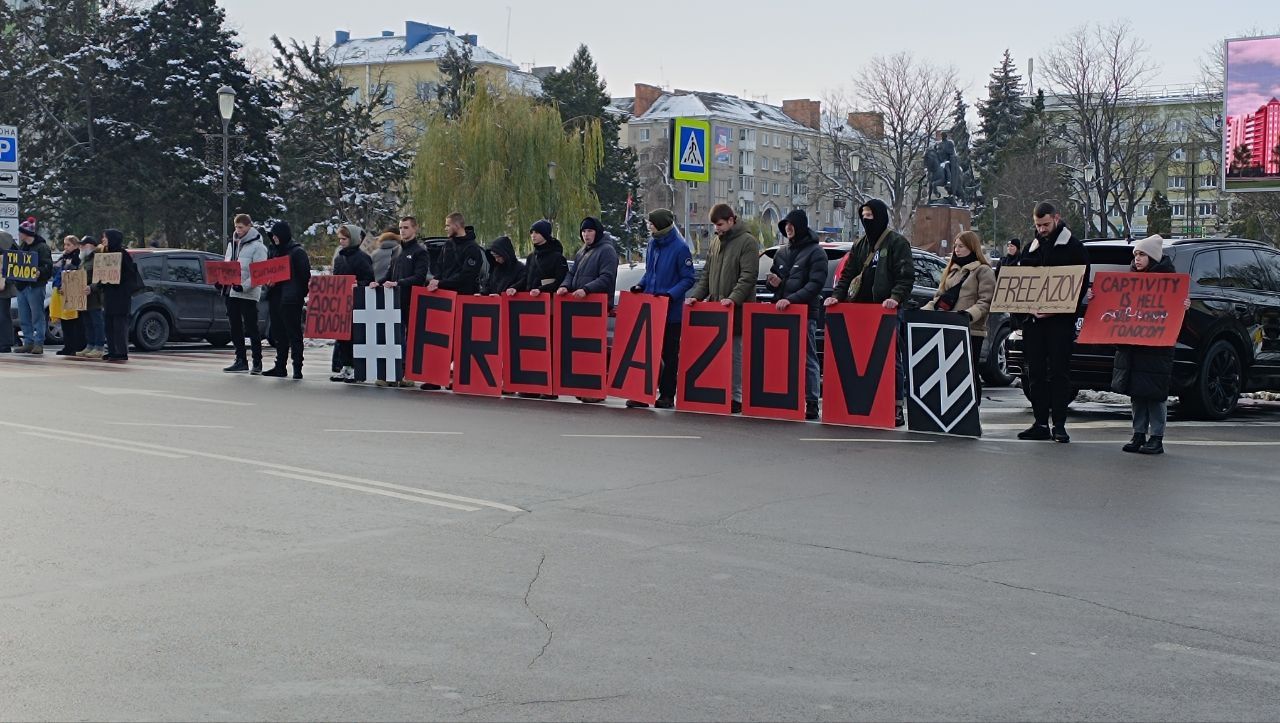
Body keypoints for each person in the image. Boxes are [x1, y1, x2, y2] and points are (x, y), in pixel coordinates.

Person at [826, 198, 916, 426]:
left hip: (885, 312)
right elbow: (847, 274)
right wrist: (837, 295)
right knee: (862, 360)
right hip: (859, 312)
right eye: (863, 215)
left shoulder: (897, 243)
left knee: (891, 359)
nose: (866, 220)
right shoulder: (860, 245)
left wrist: (895, 298)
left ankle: (896, 406)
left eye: (870, 215)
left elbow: (905, 277)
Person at [1098, 235, 1185, 456]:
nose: (1137, 259)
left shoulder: (1169, 282)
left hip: (1157, 350)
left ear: (1153, 257)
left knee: (1154, 394)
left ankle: (1156, 437)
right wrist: (1096, 296)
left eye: (1142, 254)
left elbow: (1176, 316)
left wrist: (1184, 306)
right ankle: (1138, 434)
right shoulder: (1130, 282)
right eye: (1135, 254)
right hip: (1133, 348)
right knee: (1137, 393)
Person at [1014, 201, 1088, 443]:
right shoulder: (1031, 248)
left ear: (1057, 217)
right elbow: (1022, 285)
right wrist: (1026, 311)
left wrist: (1057, 311)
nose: (1042, 229)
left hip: (1060, 324)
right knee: (1034, 373)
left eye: (1045, 224)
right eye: (1037, 225)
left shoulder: (1074, 248)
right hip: (1034, 323)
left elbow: (1079, 287)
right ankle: (1039, 422)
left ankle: (1059, 425)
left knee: (1059, 373)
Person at [684, 204, 761, 414]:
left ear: (731, 220)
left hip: (736, 311)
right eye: (714, 225)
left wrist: (733, 299)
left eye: (719, 225)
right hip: (717, 311)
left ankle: (737, 397)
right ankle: (719, 391)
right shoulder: (716, 243)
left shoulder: (748, 242)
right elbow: (707, 275)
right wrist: (696, 297)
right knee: (718, 354)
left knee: (736, 355)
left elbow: (748, 277)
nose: (716, 229)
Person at [627, 208, 696, 409]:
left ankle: (666, 395)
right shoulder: (652, 244)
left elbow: (688, 278)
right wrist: (641, 285)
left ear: (661, 225)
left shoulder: (680, 247)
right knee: (647, 353)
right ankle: (641, 393)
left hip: (670, 312)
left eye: (651, 224)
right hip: (651, 309)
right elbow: (651, 273)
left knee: (668, 355)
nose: (649, 227)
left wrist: (670, 294)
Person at [766, 210, 828, 420]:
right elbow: (777, 280)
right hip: (782, 314)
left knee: (807, 357)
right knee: (781, 358)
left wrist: (791, 300)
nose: (788, 229)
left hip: (805, 314)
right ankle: (782, 397)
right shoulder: (781, 252)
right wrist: (773, 283)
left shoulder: (816, 252)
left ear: (801, 226)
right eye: (785, 226)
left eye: (791, 225)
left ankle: (811, 402)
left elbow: (815, 285)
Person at [923, 230, 996, 401]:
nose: (957, 249)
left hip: (971, 330)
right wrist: (923, 311)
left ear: (972, 247)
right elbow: (939, 297)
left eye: (961, 246)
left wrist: (969, 315)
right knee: (951, 372)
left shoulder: (983, 271)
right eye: (955, 246)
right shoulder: (951, 270)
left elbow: (986, 301)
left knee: (969, 371)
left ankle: (973, 409)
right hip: (948, 326)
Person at [371, 216, 431, 387]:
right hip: (393, 301)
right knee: (392, 338)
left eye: (406, 227)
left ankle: (407, 374)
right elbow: (389, 274)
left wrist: (399, 283)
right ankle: (390, 373)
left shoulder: (420, 251)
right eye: (401, 227)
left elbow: (419, 277)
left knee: (408, 339)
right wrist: (379, 282)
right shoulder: (396, 250)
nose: (403, 230)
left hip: (410, 300)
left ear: (414, 229)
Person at [262, 221, 311, 379]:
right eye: (272, 236)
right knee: (279, 334)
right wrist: (268, 282)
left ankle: (297, 367)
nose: (274, 238)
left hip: (291, 299)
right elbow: (267, 271)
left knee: (293, 333)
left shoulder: (297, 252)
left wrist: (299, 294)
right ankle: (280, 366)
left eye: (276, 235)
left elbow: (305, 277)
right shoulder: (273, 251)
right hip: (275, 297)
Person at [220, 214, 268, 374]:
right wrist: (221, 280)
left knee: (251, 327)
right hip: (231, 291)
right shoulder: (232, 244)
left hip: (248, 293)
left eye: (241, 227)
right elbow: (228, 265)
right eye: (236, 227)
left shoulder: (258, 247)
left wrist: (245, 286)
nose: (238, 230)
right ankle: (240, 359)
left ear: (249, 226)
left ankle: (257, 362)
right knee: (235, 327)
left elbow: (259, 273)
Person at [331, 223, 374, 383]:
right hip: (342, 303)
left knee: (356, 338)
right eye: (340, 239)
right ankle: (346, 366)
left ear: (353, 239)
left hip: (357, 304)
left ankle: (357, 368)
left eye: (344, 238)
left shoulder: (363, 258)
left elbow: (369, 280)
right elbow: (336, 280)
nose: (341, 242)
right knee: (342, 338)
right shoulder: (339, 257)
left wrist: (359, 285)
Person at [99, 229, 141, 362]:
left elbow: (129, 275)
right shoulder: (106, 255)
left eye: (105, 237)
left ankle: (121, 351)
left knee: (119, 325)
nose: (103, 240)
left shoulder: (123, 255)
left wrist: (116, 278)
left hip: (120, 296)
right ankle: (112, 350)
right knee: (109, 324)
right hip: (109, 295)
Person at [12, 220, 54, 354]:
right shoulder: (22, 246)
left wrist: (40, 272)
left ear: (26, 233)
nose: (19, 234)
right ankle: (28, 342)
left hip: (35, 286)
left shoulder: (42, 247)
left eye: (21, 232)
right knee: (24, 316)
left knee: (37, 315)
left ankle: (39, 343)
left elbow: (48, 266)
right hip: (22, 286)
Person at [428, 213, 485, 295]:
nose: (445, 228)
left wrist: (441, 283)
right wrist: (435, 282)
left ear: (457, 226)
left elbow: (466, 276)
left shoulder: (472, 248)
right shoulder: (447, 245)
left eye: (448, 225)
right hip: (445, 295)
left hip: (463, 297)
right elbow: (439, 268)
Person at [51, 235, 86, 356]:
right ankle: (68, 345)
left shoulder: (78, 257)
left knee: (74, 320)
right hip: (61, 290)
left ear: (76, 245)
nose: (65, 247)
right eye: (64, 244)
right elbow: (56, 270)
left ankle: (77, 345)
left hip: (73, 292)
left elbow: (77, 273)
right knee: (65, 320)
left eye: (68, 245)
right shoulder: (64, 257)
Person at [514, 220, 568, 296]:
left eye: (537, 232)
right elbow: (525, 278)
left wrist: (541, 290)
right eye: (531, 232)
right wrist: (514, 288)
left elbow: (560, 282)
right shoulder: (531, 257)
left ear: (545, 234)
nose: (533, 235)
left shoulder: (557, 257)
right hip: (530, 301)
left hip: (549, 301)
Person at [75, 235, 107, 359]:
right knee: (88, 322)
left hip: (95, 296)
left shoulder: (98, 259)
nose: (81, 247)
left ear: (91, 246)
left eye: (84, 244)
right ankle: (90, 345)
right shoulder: (84, 259)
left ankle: (99, 346)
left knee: (97, 322)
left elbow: (101, 277)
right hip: (84, 296)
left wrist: (92, 287)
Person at [0, 231, 17, 353]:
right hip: (4, 281)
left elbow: (16, 259)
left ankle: (5, 343)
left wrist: (7, 279)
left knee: (3, 315)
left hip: (4, 284)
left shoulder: (5, 237)